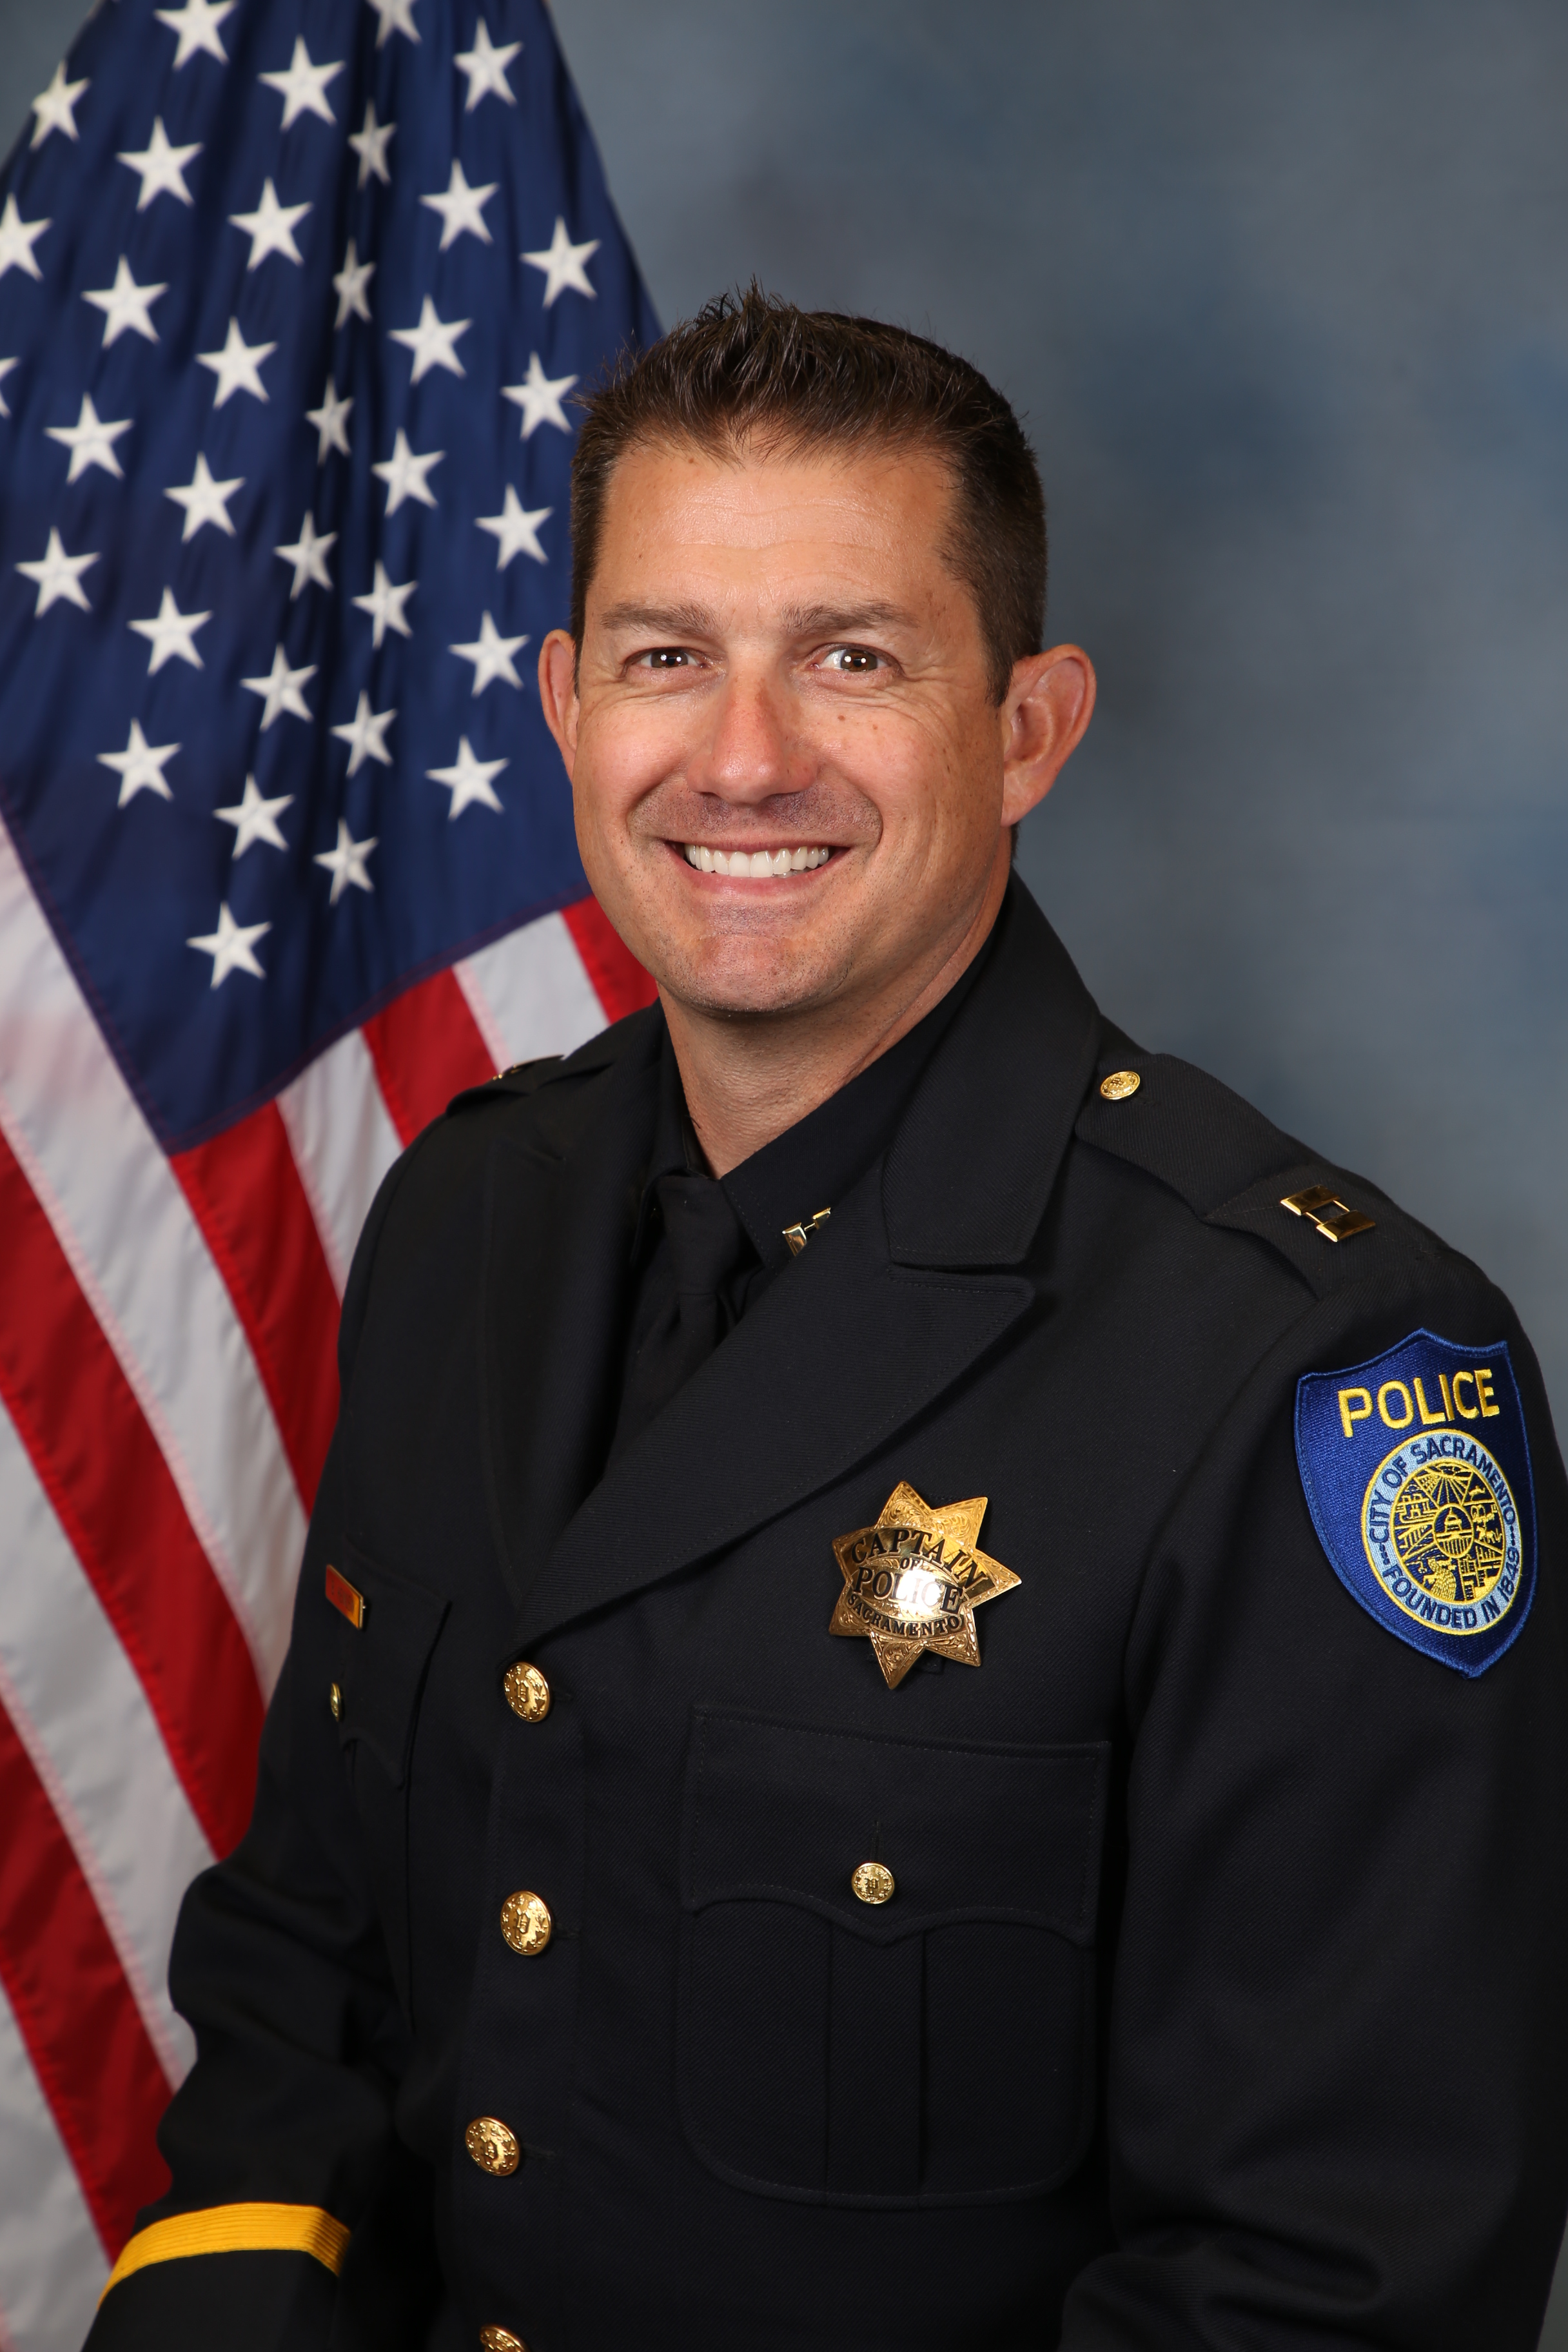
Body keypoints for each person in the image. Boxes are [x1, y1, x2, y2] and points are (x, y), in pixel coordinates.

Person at [87, 288, 1568, 2352]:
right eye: (666, 657)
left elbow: (1337, 2285)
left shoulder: (1305, 1369)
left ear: (1028, 729)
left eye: (851, 659)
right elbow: (311, 1962)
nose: (745, 756)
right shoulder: (467, 1215)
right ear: (562, 706)